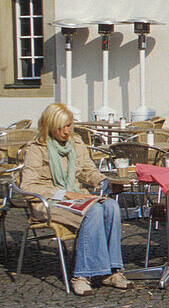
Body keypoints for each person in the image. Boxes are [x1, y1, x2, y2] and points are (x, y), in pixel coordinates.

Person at [21, 103, 130, 296]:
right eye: (60, 127)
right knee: (94, 211)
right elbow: (27, 187)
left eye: (69, 125)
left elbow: (88, 170)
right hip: (48, 202)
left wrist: (105, 182)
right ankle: (81, 275)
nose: (66, 131)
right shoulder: (37, 149)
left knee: (111, 206)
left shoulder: (75, 142)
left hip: (74, 197)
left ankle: (113, 270)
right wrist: (64, 194)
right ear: (49, 127)